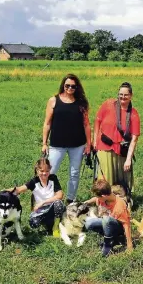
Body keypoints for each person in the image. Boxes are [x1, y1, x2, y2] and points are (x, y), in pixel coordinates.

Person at [42, 74, 91, 204]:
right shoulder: (53, 100)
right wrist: (44, 143)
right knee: (50, 172)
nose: (70, 88)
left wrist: (89, 144)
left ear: (77, 87)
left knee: (74, 173)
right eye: (67, 85)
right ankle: (49, 199)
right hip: (57, 145)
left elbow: (86, 125)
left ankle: (71, 199)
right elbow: (47, 123)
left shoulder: (82, 103)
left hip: (77, 145)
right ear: (63, 85)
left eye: (73, 86)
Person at [93, 82, 140, 191]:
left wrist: (128, 159)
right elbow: (97, 121)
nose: (123, 97)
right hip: (104, 147)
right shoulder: (108, 104)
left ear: (131, 96)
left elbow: (134, 139)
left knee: (120, 180)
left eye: (126, 95)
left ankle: (120, 200)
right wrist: (95, 140)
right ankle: (102, 200)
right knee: (104, 179)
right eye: (120, 94)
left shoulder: (133, 114)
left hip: (121, 150)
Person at [9, 157, 65, 237]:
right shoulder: (34, 182)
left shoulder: (53, 178)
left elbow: (60, 195)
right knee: (34, 224)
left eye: (47, 171)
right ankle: (48, 225)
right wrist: (3, 192)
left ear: (50, 170)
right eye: (41, 171)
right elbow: (18, 189)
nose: (44, 173)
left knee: (59, 204)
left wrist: (42, 202)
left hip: (52, 208)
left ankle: (55, 227)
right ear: (37, 170)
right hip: (40, 211)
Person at [84, 179, 133, 257]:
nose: (97, 198)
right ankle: (113, 239)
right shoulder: (103, 198)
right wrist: (87, 202)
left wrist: (129, 245)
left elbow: (126, 225)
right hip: (106, 223)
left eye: (97, 196)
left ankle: (108, 244)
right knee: (88, 223)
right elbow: (96, 199)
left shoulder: (119, 206)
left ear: (104, 196)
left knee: (107, 219)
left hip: (118, 228)